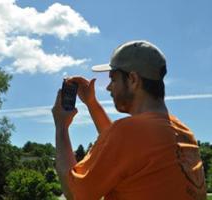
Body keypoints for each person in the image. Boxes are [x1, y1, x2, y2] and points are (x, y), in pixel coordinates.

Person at [52, 40, 207, 200]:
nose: (108, 87)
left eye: (113, 79)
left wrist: (61, 127)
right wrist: (91, 103)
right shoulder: (184, 132)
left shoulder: (127, 133)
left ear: (133, 79)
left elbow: (75, 193)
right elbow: (122, 149)